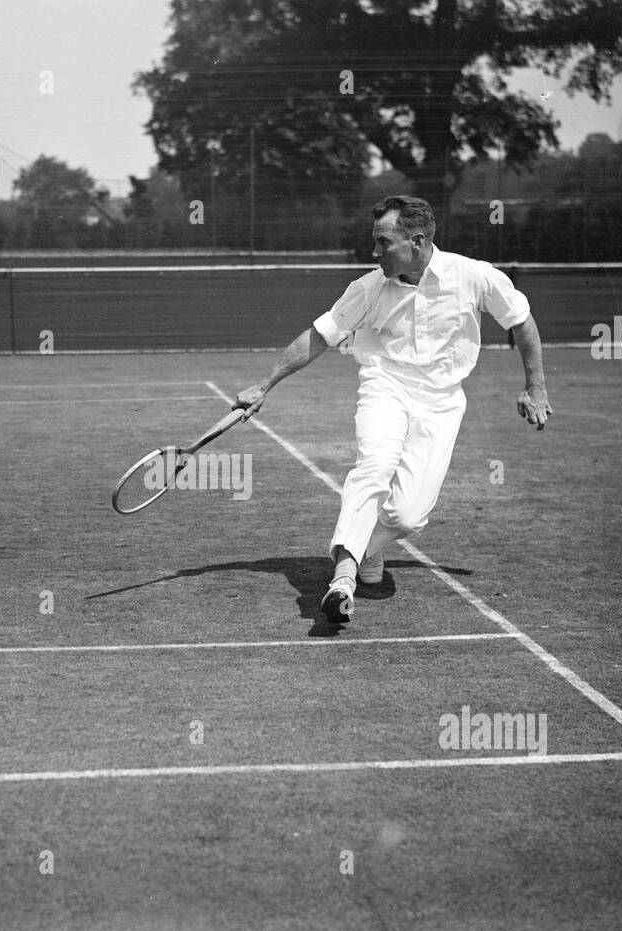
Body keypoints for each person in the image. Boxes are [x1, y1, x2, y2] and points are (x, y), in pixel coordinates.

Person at [234, 195, 552, 624]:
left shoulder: (474, 276)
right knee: (375, 465)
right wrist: (264, 384)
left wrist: (535, 387)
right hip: (384, 386)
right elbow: (319, 336)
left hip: (442, 403)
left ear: (416, 241)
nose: (374, 251)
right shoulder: (367, 288)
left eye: (383, 242)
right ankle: (343, 576)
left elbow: (521, 319)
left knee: (408, 515)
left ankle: (370, 548)